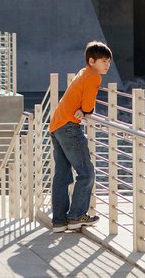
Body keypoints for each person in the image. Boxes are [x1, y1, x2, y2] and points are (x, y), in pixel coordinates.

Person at [50, 41, 113, 232]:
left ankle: (59, 221)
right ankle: (76, 215)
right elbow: (87, 106)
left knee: (62, 175)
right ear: (92, 61)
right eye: (103, 61)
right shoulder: (93, 76)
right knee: (86, 173)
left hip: (56, 125)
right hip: (69, 126)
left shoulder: (82, 72)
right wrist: (85, 111)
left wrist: (82, 110)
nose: (107, 65)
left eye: (108, 62)